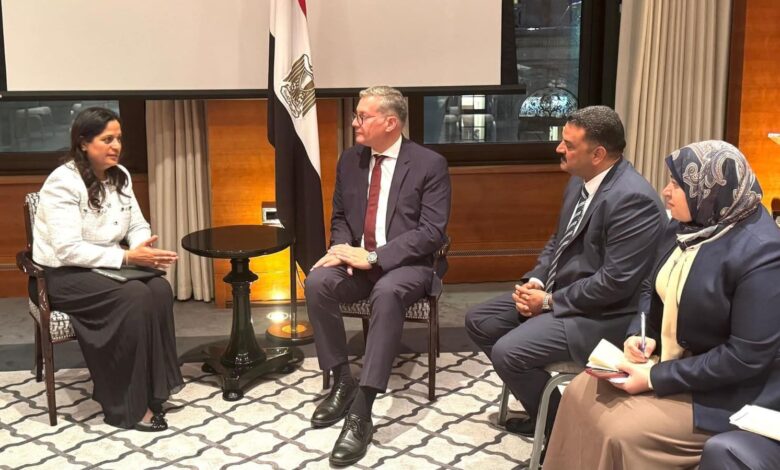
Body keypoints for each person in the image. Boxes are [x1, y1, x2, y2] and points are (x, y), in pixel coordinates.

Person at [544, 140, 780, 469]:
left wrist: (656, 376)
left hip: (728, 393)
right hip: (671, 363)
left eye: (676, 185)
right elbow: (649, 286)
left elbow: (744, 357)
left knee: (617, 429)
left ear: (709, 190)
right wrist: (640, 333)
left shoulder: (764, 255)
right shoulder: (687, 225)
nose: (665, 192)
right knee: (580, 392)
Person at [465, 106, 665, 437]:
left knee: (508, 352)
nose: (559, 148)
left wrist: (547, 302)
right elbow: (559, 240)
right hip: (564, 293)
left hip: (604, 315)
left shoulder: (633, 200)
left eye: (569, 145)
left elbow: (614, 284)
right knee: (481, 321)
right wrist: (537, 280)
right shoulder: (579, 182)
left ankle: (559, 433)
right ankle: (549, 415)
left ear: (597, 154)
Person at [304, 86, 451, 466]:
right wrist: (340, 250)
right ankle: (342, 380)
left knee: (387, 294)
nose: (354, 122)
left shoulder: (429, 164)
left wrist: (374, 257)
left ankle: (362, 410)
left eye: (362, 116)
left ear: (390, 122)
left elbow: (431, 233)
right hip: (358, 262)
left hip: (408, 265)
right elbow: (340, 216)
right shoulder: (350, 160)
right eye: (356, 115)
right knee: (317, 282)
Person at [32, 107, 183, 431]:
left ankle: (154, 389)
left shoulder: (120, 175)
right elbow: (67, 249)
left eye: (119, 139)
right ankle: (127, 406)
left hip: (108, 265)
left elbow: (138, 224)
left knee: (159, 289)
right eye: (107, 139)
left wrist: (142, 247)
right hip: (62, 276)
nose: (116, 146)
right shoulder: (63, 182)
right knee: (135, 296)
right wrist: (128, 258)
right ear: (83, 143)